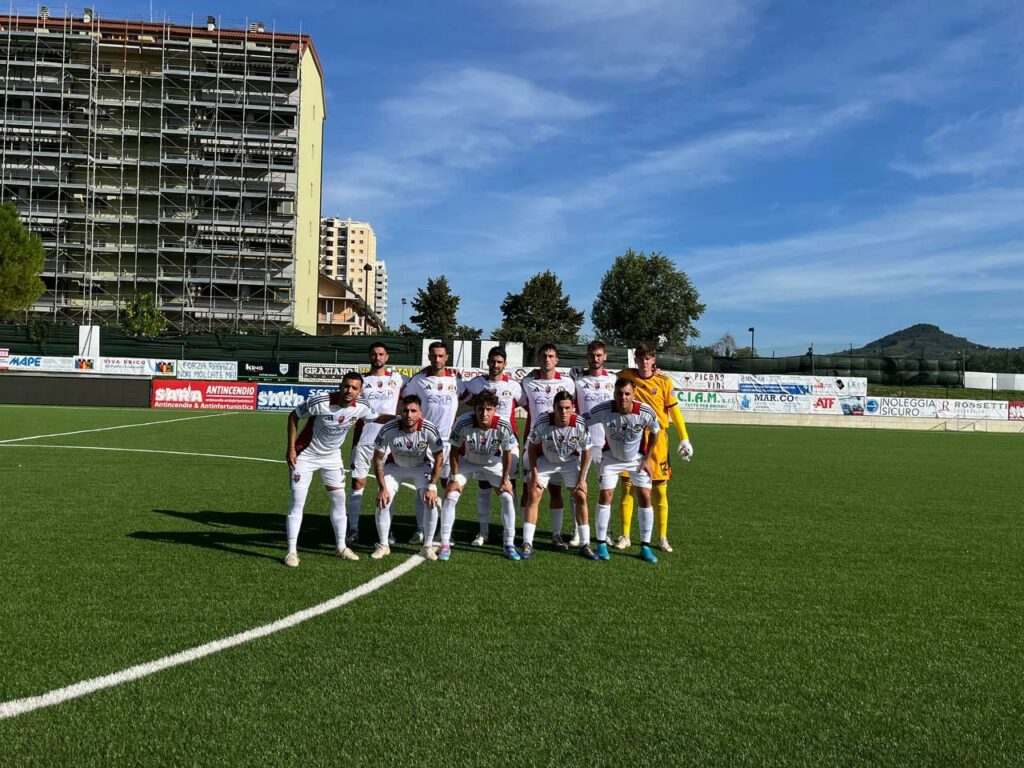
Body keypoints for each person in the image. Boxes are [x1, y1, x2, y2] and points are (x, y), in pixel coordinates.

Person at [283, 372, 378, 568]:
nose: (349, 390)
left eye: (354, 388)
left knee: (339, 499)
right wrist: (291, 448)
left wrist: (401, 418)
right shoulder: (320, 401)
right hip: (305, 455)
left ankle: (341, 547)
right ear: (340, 386)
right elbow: (294, 416)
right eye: (346, 386)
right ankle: (291, 551)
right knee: (298, 502)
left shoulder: (362, 406)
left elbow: (377, 417)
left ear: (360, 391)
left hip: (332, 457)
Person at [615, 343, 694, 553]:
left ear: (653, 360)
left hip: (658, 440)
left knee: (660, 490)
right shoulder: (626, 376)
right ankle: (625, 536)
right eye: (640, 358)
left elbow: (674, 411)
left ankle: (662, 537)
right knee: (628, 488)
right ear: (635, 360)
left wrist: (684, 438)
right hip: (633, 437)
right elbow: (604, 376)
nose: (644, 362)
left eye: (648, 358)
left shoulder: (664, 381)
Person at [585, 377, 662, 563]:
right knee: (606, 495)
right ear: (614, 394)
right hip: (611, 458)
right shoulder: (603, 409)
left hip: (637, 459)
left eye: (627, 394)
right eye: (619, 394)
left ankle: (645, 547)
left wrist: (648, 458)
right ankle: (601, 544)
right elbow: (581, 421)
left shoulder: (645, 411)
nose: (623, 397)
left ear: (633, 394)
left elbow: (656, 432)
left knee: (645, 495)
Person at [439, 391, 520, 561]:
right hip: (467, 461)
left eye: (489, 409)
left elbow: (507, 453)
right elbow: (454, 451)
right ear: (474, 409)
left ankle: (509, 544)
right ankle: (445, 544)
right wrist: (454, 478)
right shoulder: (463, 422)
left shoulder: (503, 425)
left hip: (492, 463)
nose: (484, 413)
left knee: (507, 497)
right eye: (480, 409)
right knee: (451, 495)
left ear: (495, 410)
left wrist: (505, 479)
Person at [458, 346, 522, 546]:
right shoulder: (476, 383)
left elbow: (524, 404)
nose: (495, 365)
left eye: (499, 362)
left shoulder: (514, 386)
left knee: (509, 488)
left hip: (508, 443)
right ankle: (483, 532)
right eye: (492, 361)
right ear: (487, 362)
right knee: (484, 487)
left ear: (505, 364)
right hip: (483, 442)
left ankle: (509, 533)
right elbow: (461, 395)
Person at [401, 341, 463, 544]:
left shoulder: (456, 380)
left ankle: (445, 531)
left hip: (448, 442)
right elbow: (405, 401)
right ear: (429, 357)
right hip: (425, 442)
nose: (437, 359)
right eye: (433, 355)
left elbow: (471, 398)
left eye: (441, 356)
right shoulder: (419, 380)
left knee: (448, 487)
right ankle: (421, 529)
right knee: (424, 486)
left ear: (447, 358)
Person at [522, 391, 596, 560]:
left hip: (569, 461)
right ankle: (527, 543)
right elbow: (532, 448)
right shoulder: (543, 421)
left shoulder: (579, 423)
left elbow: (587, 450)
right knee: (534, 493)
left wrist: (582, 479)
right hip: (546, 460)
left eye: (567, 408)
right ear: (554, 408)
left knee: (581, 495)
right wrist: (534, 474)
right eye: (560, 408)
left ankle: (585, 544)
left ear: (573, 408)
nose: (563, 412)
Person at [369, 394, 445, 561]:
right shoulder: (388, 428)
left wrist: (432, 486)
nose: (409, 415)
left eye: (413, 411)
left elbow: (439, 457)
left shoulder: (429, 428)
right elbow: (377, 458)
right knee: (384, 499)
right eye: (405, 411)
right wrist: (382, 488)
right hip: (395, 467)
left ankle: (427, 547)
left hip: (420, 467)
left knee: (430, 500)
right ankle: (383, 545)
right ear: (400, 412)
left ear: (420, 413)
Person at [519, 343, 576, 550]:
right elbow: (521, 403)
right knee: (529, 490)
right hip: (534, 444)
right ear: (538, 359)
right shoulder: (528, 382)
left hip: (559, 444)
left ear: (557, 360)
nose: (547, 359)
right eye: (543, 356)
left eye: (551, 356)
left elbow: (572, 409)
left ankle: (556, 535)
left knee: (555, 491)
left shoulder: (568, 383)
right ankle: (524, 534)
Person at [347, 342, 405, 545]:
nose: (377, 357)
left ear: (387, 357)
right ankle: (353, 529)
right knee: (358, 484)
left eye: (381, 354)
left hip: (390, 442)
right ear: (369, 357)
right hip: (364, 439)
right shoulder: (360, 381)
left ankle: (387, 531)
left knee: (387, 487)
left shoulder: (397, 379)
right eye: (373, 354)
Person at [569, 339, 617, 546]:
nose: (595, 359)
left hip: (607, 444)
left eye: (599, 355)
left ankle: (605, 532)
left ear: (605, 356)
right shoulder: (577, 380)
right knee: (578, 488)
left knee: (606, 490)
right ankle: (577, 531)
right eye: (592, 355)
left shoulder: (614, 379)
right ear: (587, 356)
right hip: (582, 443)